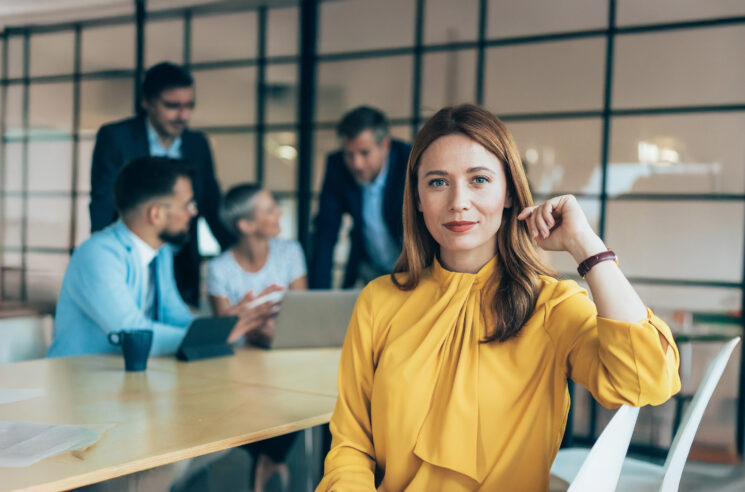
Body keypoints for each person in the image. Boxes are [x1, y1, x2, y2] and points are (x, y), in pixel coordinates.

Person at [316, 105, 681, 491]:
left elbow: (647, 379)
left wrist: (585, 246)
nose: (458, 201)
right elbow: (351, 445)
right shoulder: (379, 300)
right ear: (418, 198)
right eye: (438, 182)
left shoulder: (550, 304)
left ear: (508, 192)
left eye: (479, 179)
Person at [48, 157, 254, 358]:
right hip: (80, 380)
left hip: (128, 377)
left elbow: (175, 316)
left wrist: (220, 328)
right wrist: (209, 339)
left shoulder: (160, 253)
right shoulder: (98, 255)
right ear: (155, 214)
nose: (194, 212)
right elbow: (133, 333)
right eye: (188, 205)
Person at [89, 61, 232, 306]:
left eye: (189, 106)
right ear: (147, 102)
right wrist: (106, 257)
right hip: (129, 255)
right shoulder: (116, 137)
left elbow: (210, 202)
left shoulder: (197, 144)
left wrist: (235, 254)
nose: (183, 115)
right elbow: (104, 200)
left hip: (181, 259)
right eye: (172, 106)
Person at [207, 183, 307, 492]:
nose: (279, 212)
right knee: (247, 397)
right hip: (240, 367)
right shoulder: (219, 268)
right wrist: (258, 329)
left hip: (285, 360)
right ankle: (272, 460)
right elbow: (225, 334)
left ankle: (267, 460)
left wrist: (252, 325)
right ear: (246, 225)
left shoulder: (290, 252)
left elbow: (299, 318)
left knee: (293, 391)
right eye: (269, 209)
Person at [309, 106, 411, 289]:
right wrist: (318, 296)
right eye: (349, 154)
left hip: (413, 266)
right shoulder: (337, 166)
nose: (356, 164)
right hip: (370, 269)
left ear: (385, 145)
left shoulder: (409, 160)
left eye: (364, 153)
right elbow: (325, 232)